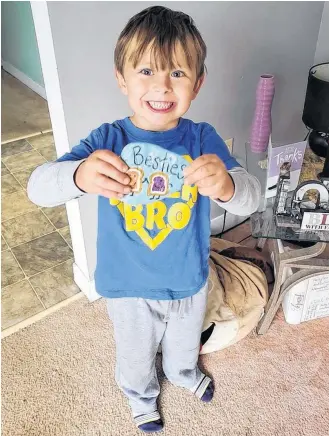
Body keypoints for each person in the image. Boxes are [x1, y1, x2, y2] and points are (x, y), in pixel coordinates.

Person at [28, 6, 260, 434]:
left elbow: (252, 197)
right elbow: (37, 187)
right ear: (121, 78)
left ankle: (184, 376)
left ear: (198, 83)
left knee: (183, 348)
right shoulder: (107, 139)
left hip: (189, 279)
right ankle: (140, 396)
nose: (161, 86)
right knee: (135, 359)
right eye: (147, 71)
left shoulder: (201, 137)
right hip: (128, 287)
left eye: (177, 73)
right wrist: (78, 175)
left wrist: (227, 185)